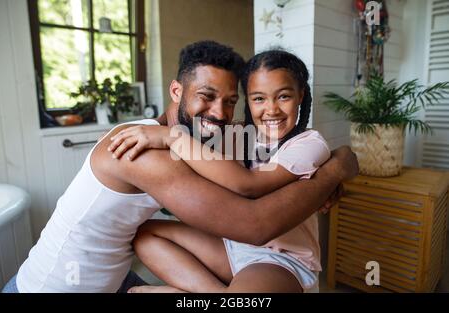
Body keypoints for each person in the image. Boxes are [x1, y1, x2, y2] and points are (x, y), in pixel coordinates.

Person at [2, 41, 357, 293]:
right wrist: (335, 171)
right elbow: (254, 224)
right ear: (176, 91)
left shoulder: (203, 139)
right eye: (206, 96)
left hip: (114, 280)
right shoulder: (144, 147)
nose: (219, 112)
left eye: (230, 101)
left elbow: (275, 155)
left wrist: (332, 160)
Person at [109, 49, 331, 293]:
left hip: (280, 259)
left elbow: (249, 184)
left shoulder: (309, 143)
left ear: (300, 96)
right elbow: (189, 136)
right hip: (231, 247)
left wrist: (172, 138)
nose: (272, 109)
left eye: (283, 97)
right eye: (258, 98)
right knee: (145, 235)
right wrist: (132, 133)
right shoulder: (236, 135)